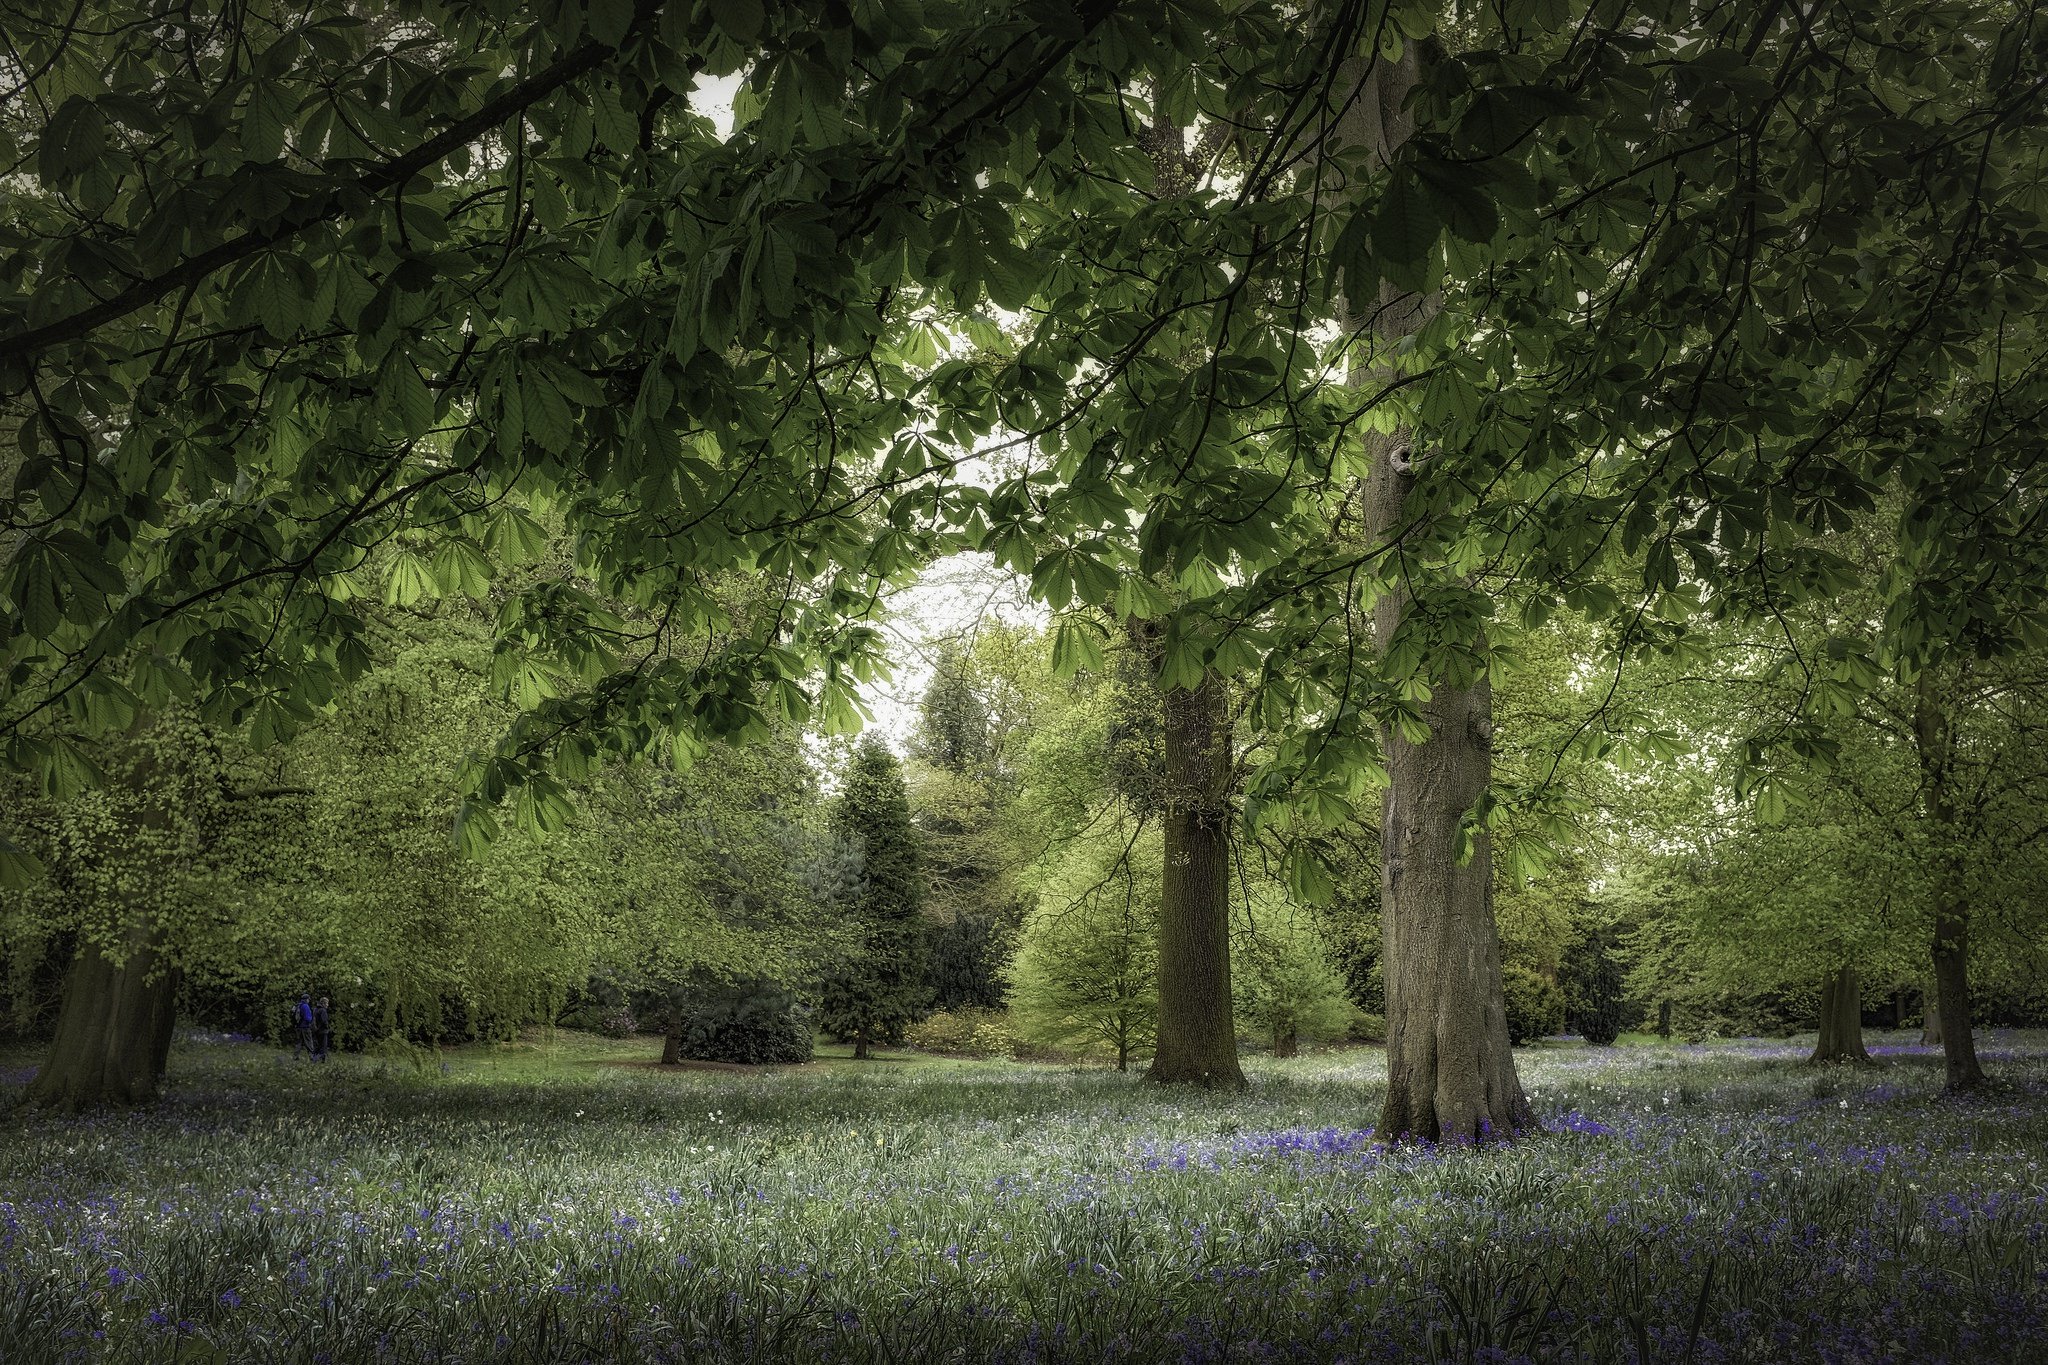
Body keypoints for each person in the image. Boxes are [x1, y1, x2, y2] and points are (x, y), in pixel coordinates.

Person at [292, 993, 314, 1059]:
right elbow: (307, 1018)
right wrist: (311, 1020)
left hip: (298, 1027)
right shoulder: (305, 1006)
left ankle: (295, 1056)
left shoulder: (298, 1005)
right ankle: (311, 1056)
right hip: (305, 1027)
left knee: (298, 1042)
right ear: (306, 999)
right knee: (309, 1042)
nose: (309, 1000)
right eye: (308, 999)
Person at [312, 997, 332, 1062]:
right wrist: (327, 1027)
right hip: (323, 1031)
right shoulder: (323, 1010)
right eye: (327, 1003)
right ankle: (315, 1060)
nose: (327, 1005)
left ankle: (320, 1060)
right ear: (323, 1003)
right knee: (323, 1048)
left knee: (317, 1047)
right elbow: (324, 1021)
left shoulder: (315, 1009)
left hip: (316, 1030)